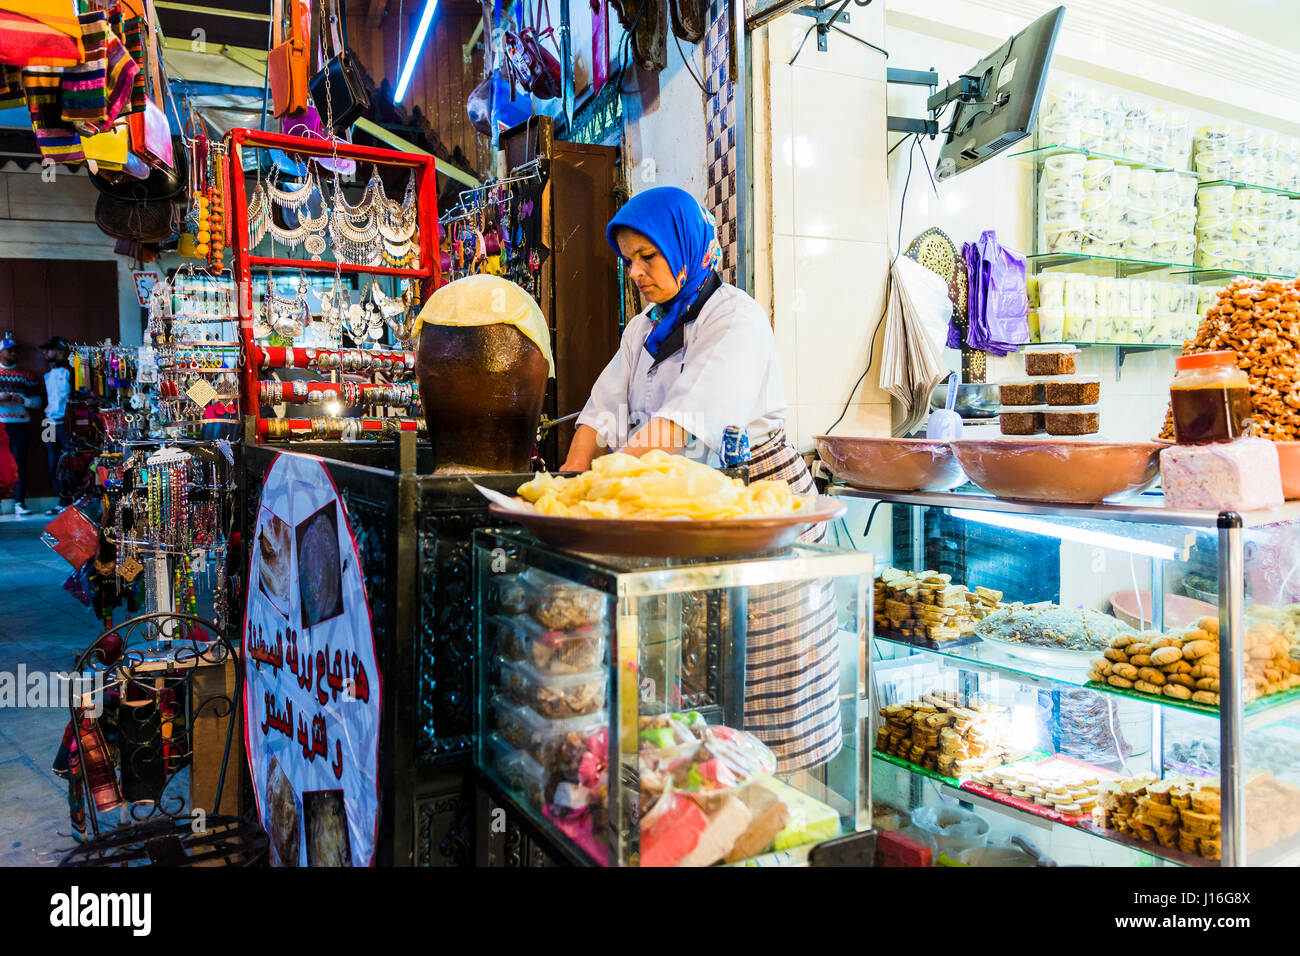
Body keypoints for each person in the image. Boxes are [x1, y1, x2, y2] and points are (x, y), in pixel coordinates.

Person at [565, 186, 841, 774]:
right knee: (706, 692)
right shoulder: (644, 329)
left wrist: (595, 493)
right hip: (693, 506)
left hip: (762, 502)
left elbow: (678, 426)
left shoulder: (735, 318)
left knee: (769, 689)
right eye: (629, 259)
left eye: (649, 256)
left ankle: (783, 828)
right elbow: (601, 410)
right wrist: (569, 475)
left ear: (686, 250)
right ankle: (705, 821)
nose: (636, 271)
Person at [0, 334, 42, 514]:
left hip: (20, 425)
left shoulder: (27, 374)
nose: (13, 354)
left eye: (15, 351)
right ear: (1, 352)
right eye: (9, 351)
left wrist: (23, 400)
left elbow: (38, 401)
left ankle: (19, 503)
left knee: (19, 465)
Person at [40, 335, 74, 515]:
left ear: (61, 351)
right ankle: (61, 500)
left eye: (49, 349)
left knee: (69, 461)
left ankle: (71, 500)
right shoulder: (47, 375)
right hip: (48, 423)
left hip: (65, 423)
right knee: (52, 461)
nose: (45, 352)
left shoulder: (71, 371)